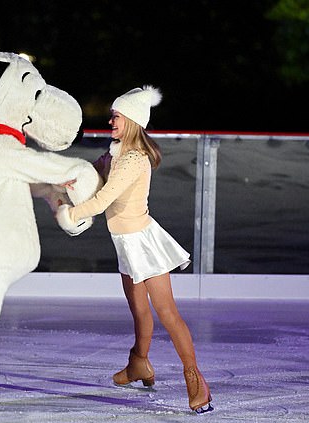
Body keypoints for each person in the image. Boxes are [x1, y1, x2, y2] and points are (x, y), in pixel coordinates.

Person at [56, 85, 213, 414]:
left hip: (143, 244)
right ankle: (139, 363)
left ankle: (195, 380)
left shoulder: (132, 160)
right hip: (125, 243)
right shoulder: (115, 154)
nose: (111, 120)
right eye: (112, 115)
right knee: (140, 313)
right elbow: (93, 176)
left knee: (167, 313)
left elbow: (101, 200)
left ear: (132, 120)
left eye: (117, 116)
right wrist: (67, 181)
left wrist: (69, 214)